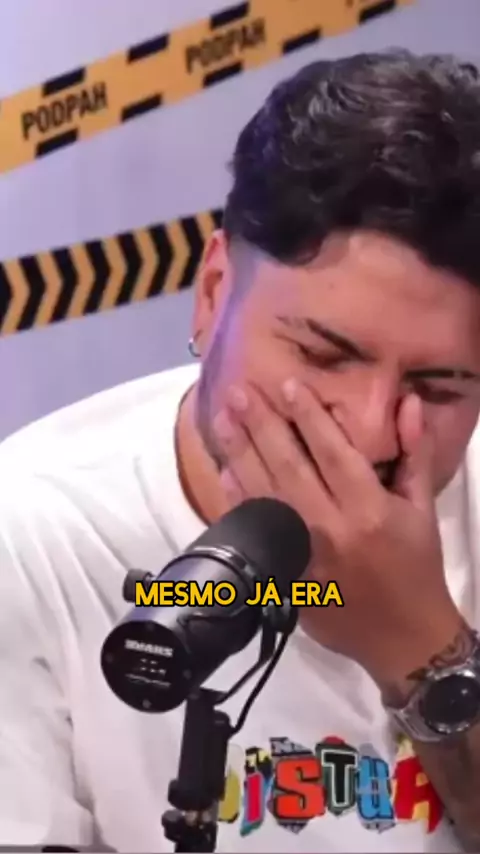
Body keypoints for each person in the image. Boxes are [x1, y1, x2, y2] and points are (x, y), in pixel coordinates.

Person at [2, 48, 480, 854]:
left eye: (437, 388)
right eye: (324, 355)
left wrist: (422, 653)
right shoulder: (30, 531)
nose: (370, 433)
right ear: (215, 290)